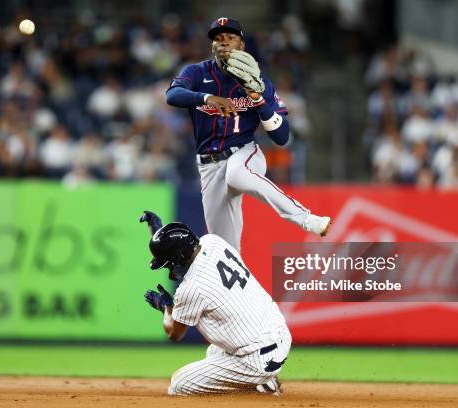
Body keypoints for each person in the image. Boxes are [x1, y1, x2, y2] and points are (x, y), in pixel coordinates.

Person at [166, 17, 330, 252]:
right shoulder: (197, 72)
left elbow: (282, 137)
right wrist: (206, 97)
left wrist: (258, 99)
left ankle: (306, 218)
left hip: (245, 153)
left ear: (241, 45)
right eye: (218, 39)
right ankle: (237, 287)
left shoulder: (260, 82)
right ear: (212, 46)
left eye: (231, 38)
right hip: (208, 167)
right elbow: (172, 95)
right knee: (224, 250)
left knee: (236, 174)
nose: (224, 43)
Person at [140, 211, 291, 395]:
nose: (170, 270)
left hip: (257, 360)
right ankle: (265, 381)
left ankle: (261, 386)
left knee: (179, 384)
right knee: (214, 352)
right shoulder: (213, 242)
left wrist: (165, 307)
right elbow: (180, 248)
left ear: (179, 258)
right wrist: (159, 232)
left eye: (169, 264)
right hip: (279, 333)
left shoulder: (191, 288)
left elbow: (174, 333)